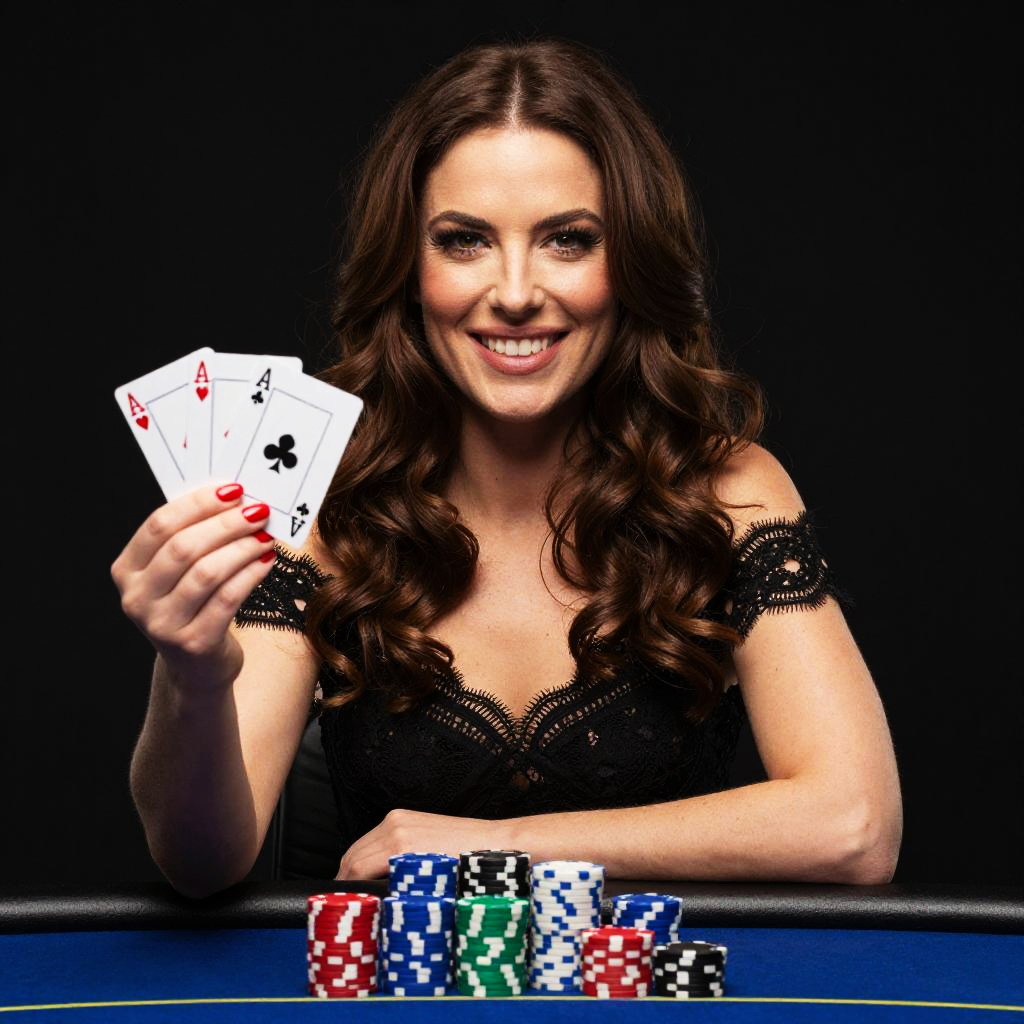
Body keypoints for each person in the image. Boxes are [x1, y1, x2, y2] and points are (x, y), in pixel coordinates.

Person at [111, 36, 903, 900]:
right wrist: (189, 673)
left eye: (568, 240)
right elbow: (199, 862)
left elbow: (854, 828)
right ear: (409, 270)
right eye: (464, 241)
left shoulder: (727, 490)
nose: (517, 290)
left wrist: (501, 845)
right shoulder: (326, 511)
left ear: (629, 262)